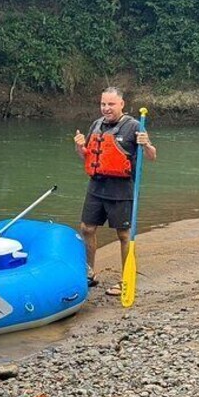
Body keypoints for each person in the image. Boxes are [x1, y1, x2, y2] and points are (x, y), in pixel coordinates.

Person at [73, 87, 157, 295]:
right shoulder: (97, 125)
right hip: (97, 186)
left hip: (121, 189)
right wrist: (79, 147)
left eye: (111, 104)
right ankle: (89, 272)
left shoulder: (134, 126)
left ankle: (125, 279)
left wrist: (145, 145)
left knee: (123, 234)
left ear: (122, 104)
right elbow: (88, 157)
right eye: (103, 104)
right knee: (87, 228)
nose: (106, 108)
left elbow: (152, 156)